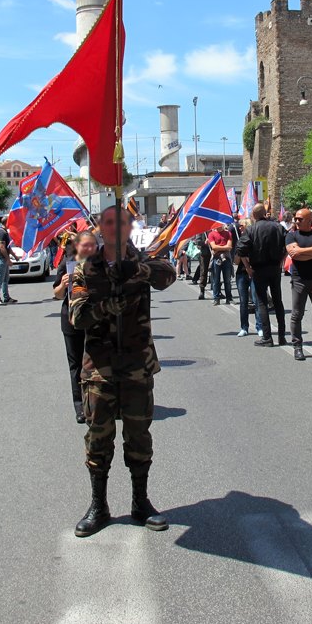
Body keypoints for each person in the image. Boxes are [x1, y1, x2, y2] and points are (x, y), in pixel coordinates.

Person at [69, 206, 177, 537]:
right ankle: (99, 506)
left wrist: (136, 269)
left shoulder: (143, 260)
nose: (116, 229)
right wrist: (105, 307)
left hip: (136, 366)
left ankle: (140, 502)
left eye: (123, 223)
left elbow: (167, 276)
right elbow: (77, 317)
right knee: (98, 439)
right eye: (110, 223)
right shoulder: (85, 269)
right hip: (99, 369)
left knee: (139, 436)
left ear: (130, 228)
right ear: (102, 228)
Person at [54, 231, 98, 424]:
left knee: (95, 363)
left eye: (92, 245)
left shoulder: (100, 264)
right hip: (72, 320)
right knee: (76, 365)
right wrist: (63, 285)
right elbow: (56, 294)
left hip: (95, 318)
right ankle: (79, 405)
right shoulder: (67, 262)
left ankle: (96, 403)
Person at [236, 203, 288, 347]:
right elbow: (288, 243)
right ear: (265, 213)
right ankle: (282, 337)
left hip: (259, 269)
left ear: (253, 215)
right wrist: (281, 261)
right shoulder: (278, 227)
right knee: (278, 301)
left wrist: (247, 267)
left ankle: (267, 337)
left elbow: (240, 250)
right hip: (275, 267)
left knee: (262, 303)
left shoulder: (251, 229)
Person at [286, 208, 312, 361]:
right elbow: (294, 254)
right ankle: (297, 347)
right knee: (297, 315)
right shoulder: (291, 235)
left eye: (300, 219)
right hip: (299, 280)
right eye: (295, 219)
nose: (296, 221)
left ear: (310, 220)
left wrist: (303, 252)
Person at [234, 219, 263, 338]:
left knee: (257, 301)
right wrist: (240, 254)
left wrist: (248, 261)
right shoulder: (239, 241)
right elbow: (236, 261)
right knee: (243, 302)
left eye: (242, 226)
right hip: (241, 274)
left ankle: (260, 327)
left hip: (255, 272)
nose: (239, 228)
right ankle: (244, 327)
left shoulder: (255, 240)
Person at [0, 216, 19, 306]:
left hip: (4, 259)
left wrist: (14, 256)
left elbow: (8, 247)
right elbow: (2, 247)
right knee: (0, 279)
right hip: (1, 259)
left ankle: (6, 297)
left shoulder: (5, 233)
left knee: (5, 279)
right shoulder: (1, 233)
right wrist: (8, 259)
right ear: (6, 222)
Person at [207, 223, 234, 305]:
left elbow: (229, 246)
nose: (218, 226)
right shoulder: (211, 234)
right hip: (216, 259)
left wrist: (218, 248)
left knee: (227, 280)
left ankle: (229, 298)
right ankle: (216, 298)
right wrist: (224, 248)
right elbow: (213, 246)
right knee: (216, 280)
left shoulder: (228, 233)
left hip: (227, 258)